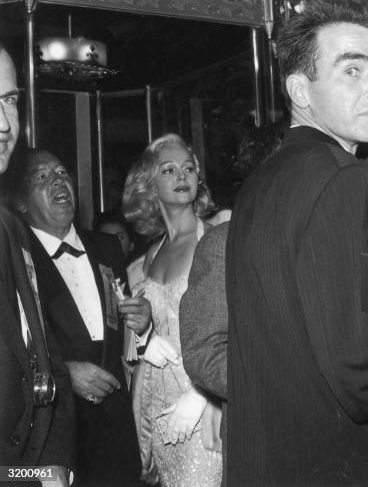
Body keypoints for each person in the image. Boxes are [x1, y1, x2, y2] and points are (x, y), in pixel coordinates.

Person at [224, 0, 368, 486]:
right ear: (301, 89)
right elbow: (362, 364)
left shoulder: (265, 180)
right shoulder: (341, 178)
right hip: (347, 465)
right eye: (353, 71)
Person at [12, 147, 148, 486]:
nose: (58, 179)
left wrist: (143, 325)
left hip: (116, 435)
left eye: (61, 172)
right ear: (21, 203)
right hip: (56, 437)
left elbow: (121, 336)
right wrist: (64, 372)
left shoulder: (107, 247)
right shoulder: (13, 260)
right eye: (42, 176)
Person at [180, 122, 282, 483]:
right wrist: (286, 388)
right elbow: (204, 352)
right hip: (266, 441)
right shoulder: (224, 243)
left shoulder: (340, 231)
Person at [123, 133, 222, 487]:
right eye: (169, 169)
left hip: (203, 406)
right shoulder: (150, 255)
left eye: (189, 168)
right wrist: (145, 333)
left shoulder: (216, 239)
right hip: (158, 405)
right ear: (149, 183)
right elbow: (142, 340)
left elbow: (243, 328)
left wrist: (202, 396)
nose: (182, 175)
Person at [0, 47, 75, 487]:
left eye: (9, 100)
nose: (5, 125)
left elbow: (44, 363)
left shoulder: (11, 229)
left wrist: (53, 468)